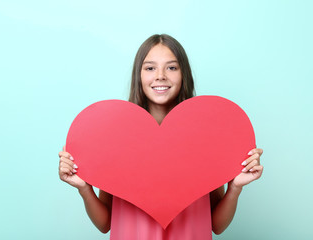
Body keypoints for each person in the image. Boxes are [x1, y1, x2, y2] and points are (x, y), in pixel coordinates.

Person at [58, 34, 264, 239]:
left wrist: (235, 187)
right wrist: (84, 188)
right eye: (150, 68)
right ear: (138, 75)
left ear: (184, 74)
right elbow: (104, 224)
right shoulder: (116, 135)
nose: (160, 76)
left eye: (172, 67)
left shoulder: (205, 135)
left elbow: (217, 225)